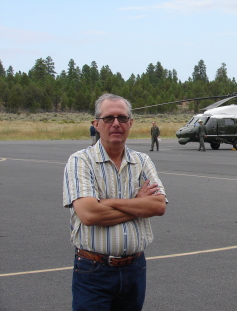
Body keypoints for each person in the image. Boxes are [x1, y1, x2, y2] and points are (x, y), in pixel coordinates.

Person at [63, 94, 167, 311]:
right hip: (93, 271)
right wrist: (138, 204)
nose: (116, 124)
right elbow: (90, 215)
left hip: (135, 269)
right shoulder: (80, 161)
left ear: (131, 123)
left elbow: (158, 206)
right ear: (96, 125)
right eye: (109, 118)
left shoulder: (142, 161)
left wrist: (107, 202)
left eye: (122, 118)